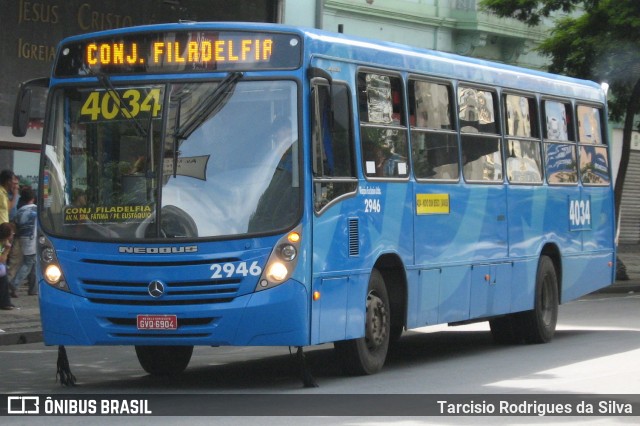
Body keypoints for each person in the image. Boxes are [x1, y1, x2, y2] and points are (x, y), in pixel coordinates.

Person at [11, 188, 38, 296]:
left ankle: (33, 289)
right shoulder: (36, 210)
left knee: (33, 264)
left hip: (22, 239)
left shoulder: (19, 211)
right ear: (33, 198)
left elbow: (16, 225)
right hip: (32, 240)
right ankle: (14, 284)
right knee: (28, 264)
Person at [0, 222, 16, 310]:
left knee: (4, 282)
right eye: (11, 232)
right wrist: (7, 249)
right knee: (3, 281)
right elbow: (1, 259)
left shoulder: (4, 241)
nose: (13, 234)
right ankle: (5, 302)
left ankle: (5, 302)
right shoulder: (3, 244)